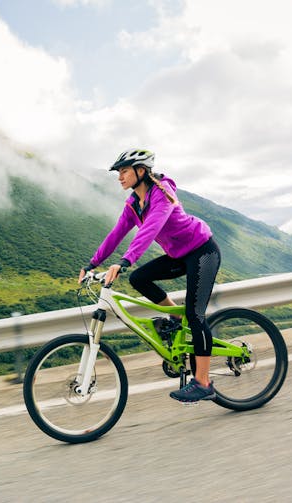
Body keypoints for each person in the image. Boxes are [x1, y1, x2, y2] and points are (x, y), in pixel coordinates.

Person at [78, 149, 221, 403]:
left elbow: (151, 229)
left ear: (141, 171)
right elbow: (116, 234)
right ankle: (175, 319)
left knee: (195, 314)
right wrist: (92, 263)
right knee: (139, 279)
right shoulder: (134, 203)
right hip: (178, 255)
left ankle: (203, 382)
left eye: (124, 171)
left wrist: (124, 262)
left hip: (201, 251)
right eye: (119, 172)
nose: (119, 177)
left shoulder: (163, 194)